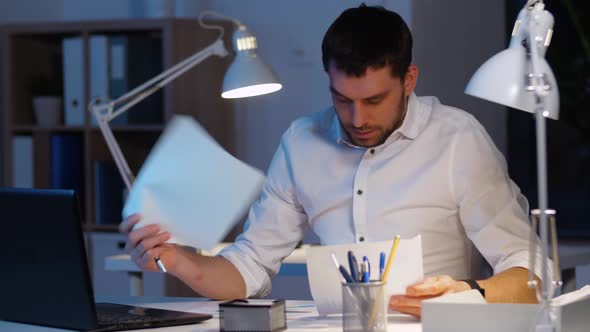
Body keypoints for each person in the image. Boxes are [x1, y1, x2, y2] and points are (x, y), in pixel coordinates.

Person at [119, 5, 545, 318]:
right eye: (343, 99)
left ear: (409, 80)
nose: (358, 119)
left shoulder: (458, 140)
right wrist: (180, 260)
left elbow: (530, 274)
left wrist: (465, 293)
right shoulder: (302, 142)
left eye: (374, 100)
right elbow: (248, 269)